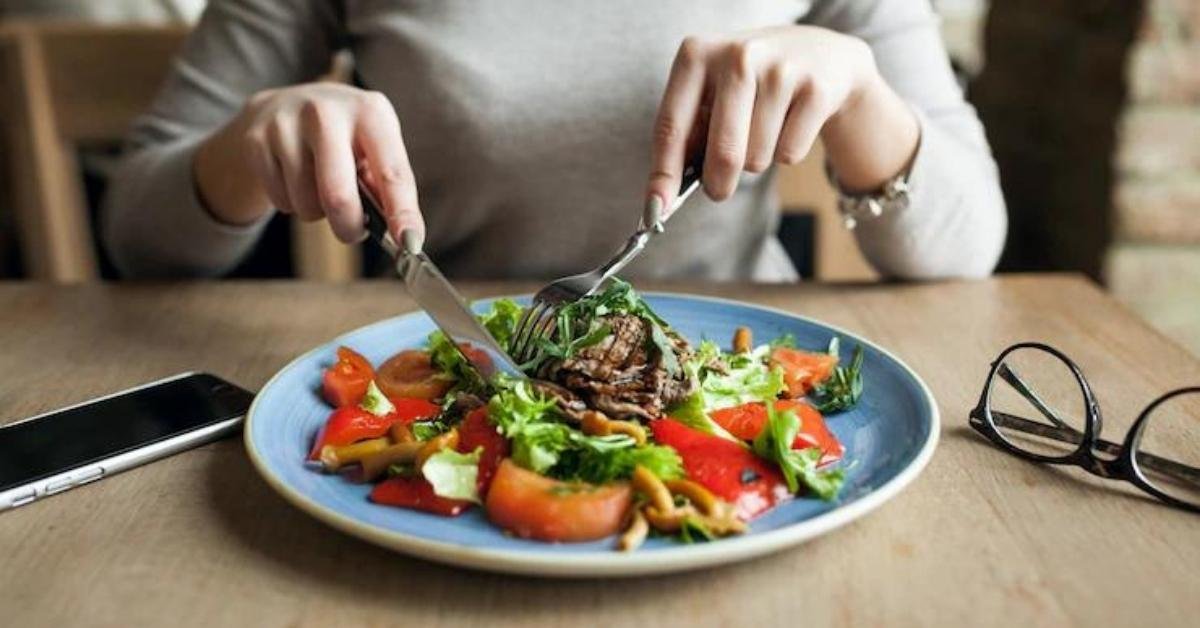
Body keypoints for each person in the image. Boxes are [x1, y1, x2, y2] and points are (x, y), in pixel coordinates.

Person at [102, 0, 1006, 281]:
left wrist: (860, 94)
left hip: (740, 393)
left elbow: (969, 247)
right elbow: (138, 232)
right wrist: (247, 146)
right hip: (438, 389)